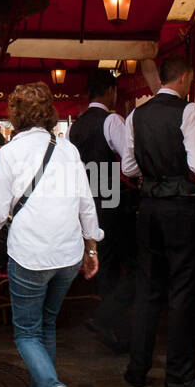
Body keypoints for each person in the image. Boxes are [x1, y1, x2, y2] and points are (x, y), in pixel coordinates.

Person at [0, 83, 101, 387]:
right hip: (67, 254)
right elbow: (86, 202)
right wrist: (92, 247)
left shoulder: (8, 154)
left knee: (26, 333)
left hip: (30, 254)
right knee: (47, 324)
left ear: (15, 114)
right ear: (49, 112)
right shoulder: (67, 150)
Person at [121, 56, 195, 387]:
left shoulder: (136, 114)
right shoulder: (188, 111)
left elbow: (130, 168)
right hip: (178, 208)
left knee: (148, 288)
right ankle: (179, 376)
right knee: (181, 291)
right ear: (185, 78)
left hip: (147, 207)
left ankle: (137, 369)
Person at [70, 68, 136, 354]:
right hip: (112, 203)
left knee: (105, 265)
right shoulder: (112, 120)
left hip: (87, 205)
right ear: (110, 91)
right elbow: (129, 161)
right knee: (131, 265)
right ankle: (109, 320)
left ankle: (110, 323)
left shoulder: (76, 125)